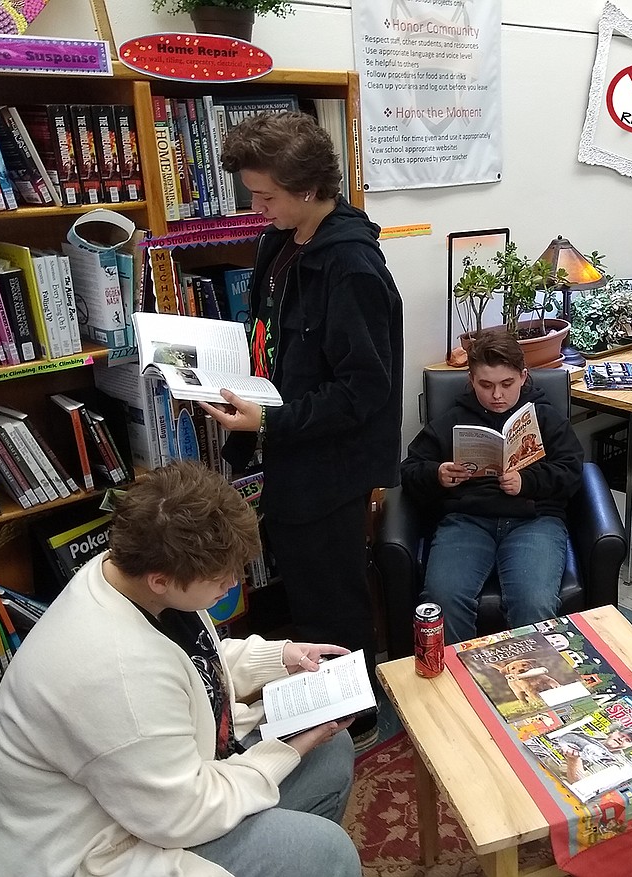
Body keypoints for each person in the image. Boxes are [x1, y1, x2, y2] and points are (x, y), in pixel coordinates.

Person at [0, 462, 362, 877]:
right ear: (161, 580)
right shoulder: (114, 674)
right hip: (103, 851)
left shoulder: (127, 572)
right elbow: (184, 812)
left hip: (153, 797)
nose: (234, 582)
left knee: (331, 750)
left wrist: (277, 658)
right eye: (221, 578)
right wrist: (290, 748)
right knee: (327, 853)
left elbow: (187, 661)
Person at [201, 111, 403, 743]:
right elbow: (269, 336)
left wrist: (273, 416)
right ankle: (319, 701)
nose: (257, 208)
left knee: (334, 595)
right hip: (288, 449)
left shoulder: (353, 268)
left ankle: (359, 718)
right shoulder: (281, 242)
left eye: (266, 196)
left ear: (310, 189)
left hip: (332, 465)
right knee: (303, 584)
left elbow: (365, 391)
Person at [400, 332, 584, 643]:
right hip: (467, 520)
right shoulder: (451, 420)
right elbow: (410, 470)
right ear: (471, 380)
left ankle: (529, 683)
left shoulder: (546, 417)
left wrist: (527, 482)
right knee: (442, 600)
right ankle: (459, 685)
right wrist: (438, 474)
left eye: (506, 384)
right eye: (486, 385)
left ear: (523, 377)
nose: (496, 395)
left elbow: (572, 472)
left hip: (534, 519)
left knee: (533, 603)